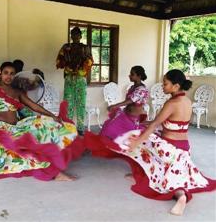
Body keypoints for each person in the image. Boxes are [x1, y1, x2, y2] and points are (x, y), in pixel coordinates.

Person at [88, 69, 216, 216]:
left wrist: (136, 141)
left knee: (136, 139)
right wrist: (147, 124)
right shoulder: (186, 101)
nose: (163, 86)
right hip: (184, 149)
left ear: (175, 86)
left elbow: (155, 124)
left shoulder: (172, 103)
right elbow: (171, 124)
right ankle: (148, 177)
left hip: (169, 149)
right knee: (169, 170)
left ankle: (180, 196)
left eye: (165, 83)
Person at [56, 27, 93, 136]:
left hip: (81, 78)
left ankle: (81, 128)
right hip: (69, 78)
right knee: (68, 103)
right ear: (71, 36)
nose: (75, 36)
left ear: (81, 36)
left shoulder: (85, 48)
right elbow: (59, 61)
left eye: (77, 34)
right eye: (73, 34)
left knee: (81, 103)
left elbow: (90, 62)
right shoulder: (66, 47)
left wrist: (82, 65)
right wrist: (66, 61)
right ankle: (68, 126)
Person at [100, 65, 149, 140]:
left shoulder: (142, 89)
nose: (129, 75)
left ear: (139, 76)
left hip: (135, 119)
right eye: (130, 73)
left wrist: (115, 106)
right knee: (108, 128)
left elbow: (130, 101)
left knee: (127, 138)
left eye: (132, 74)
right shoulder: (132, 87)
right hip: (126, 115)